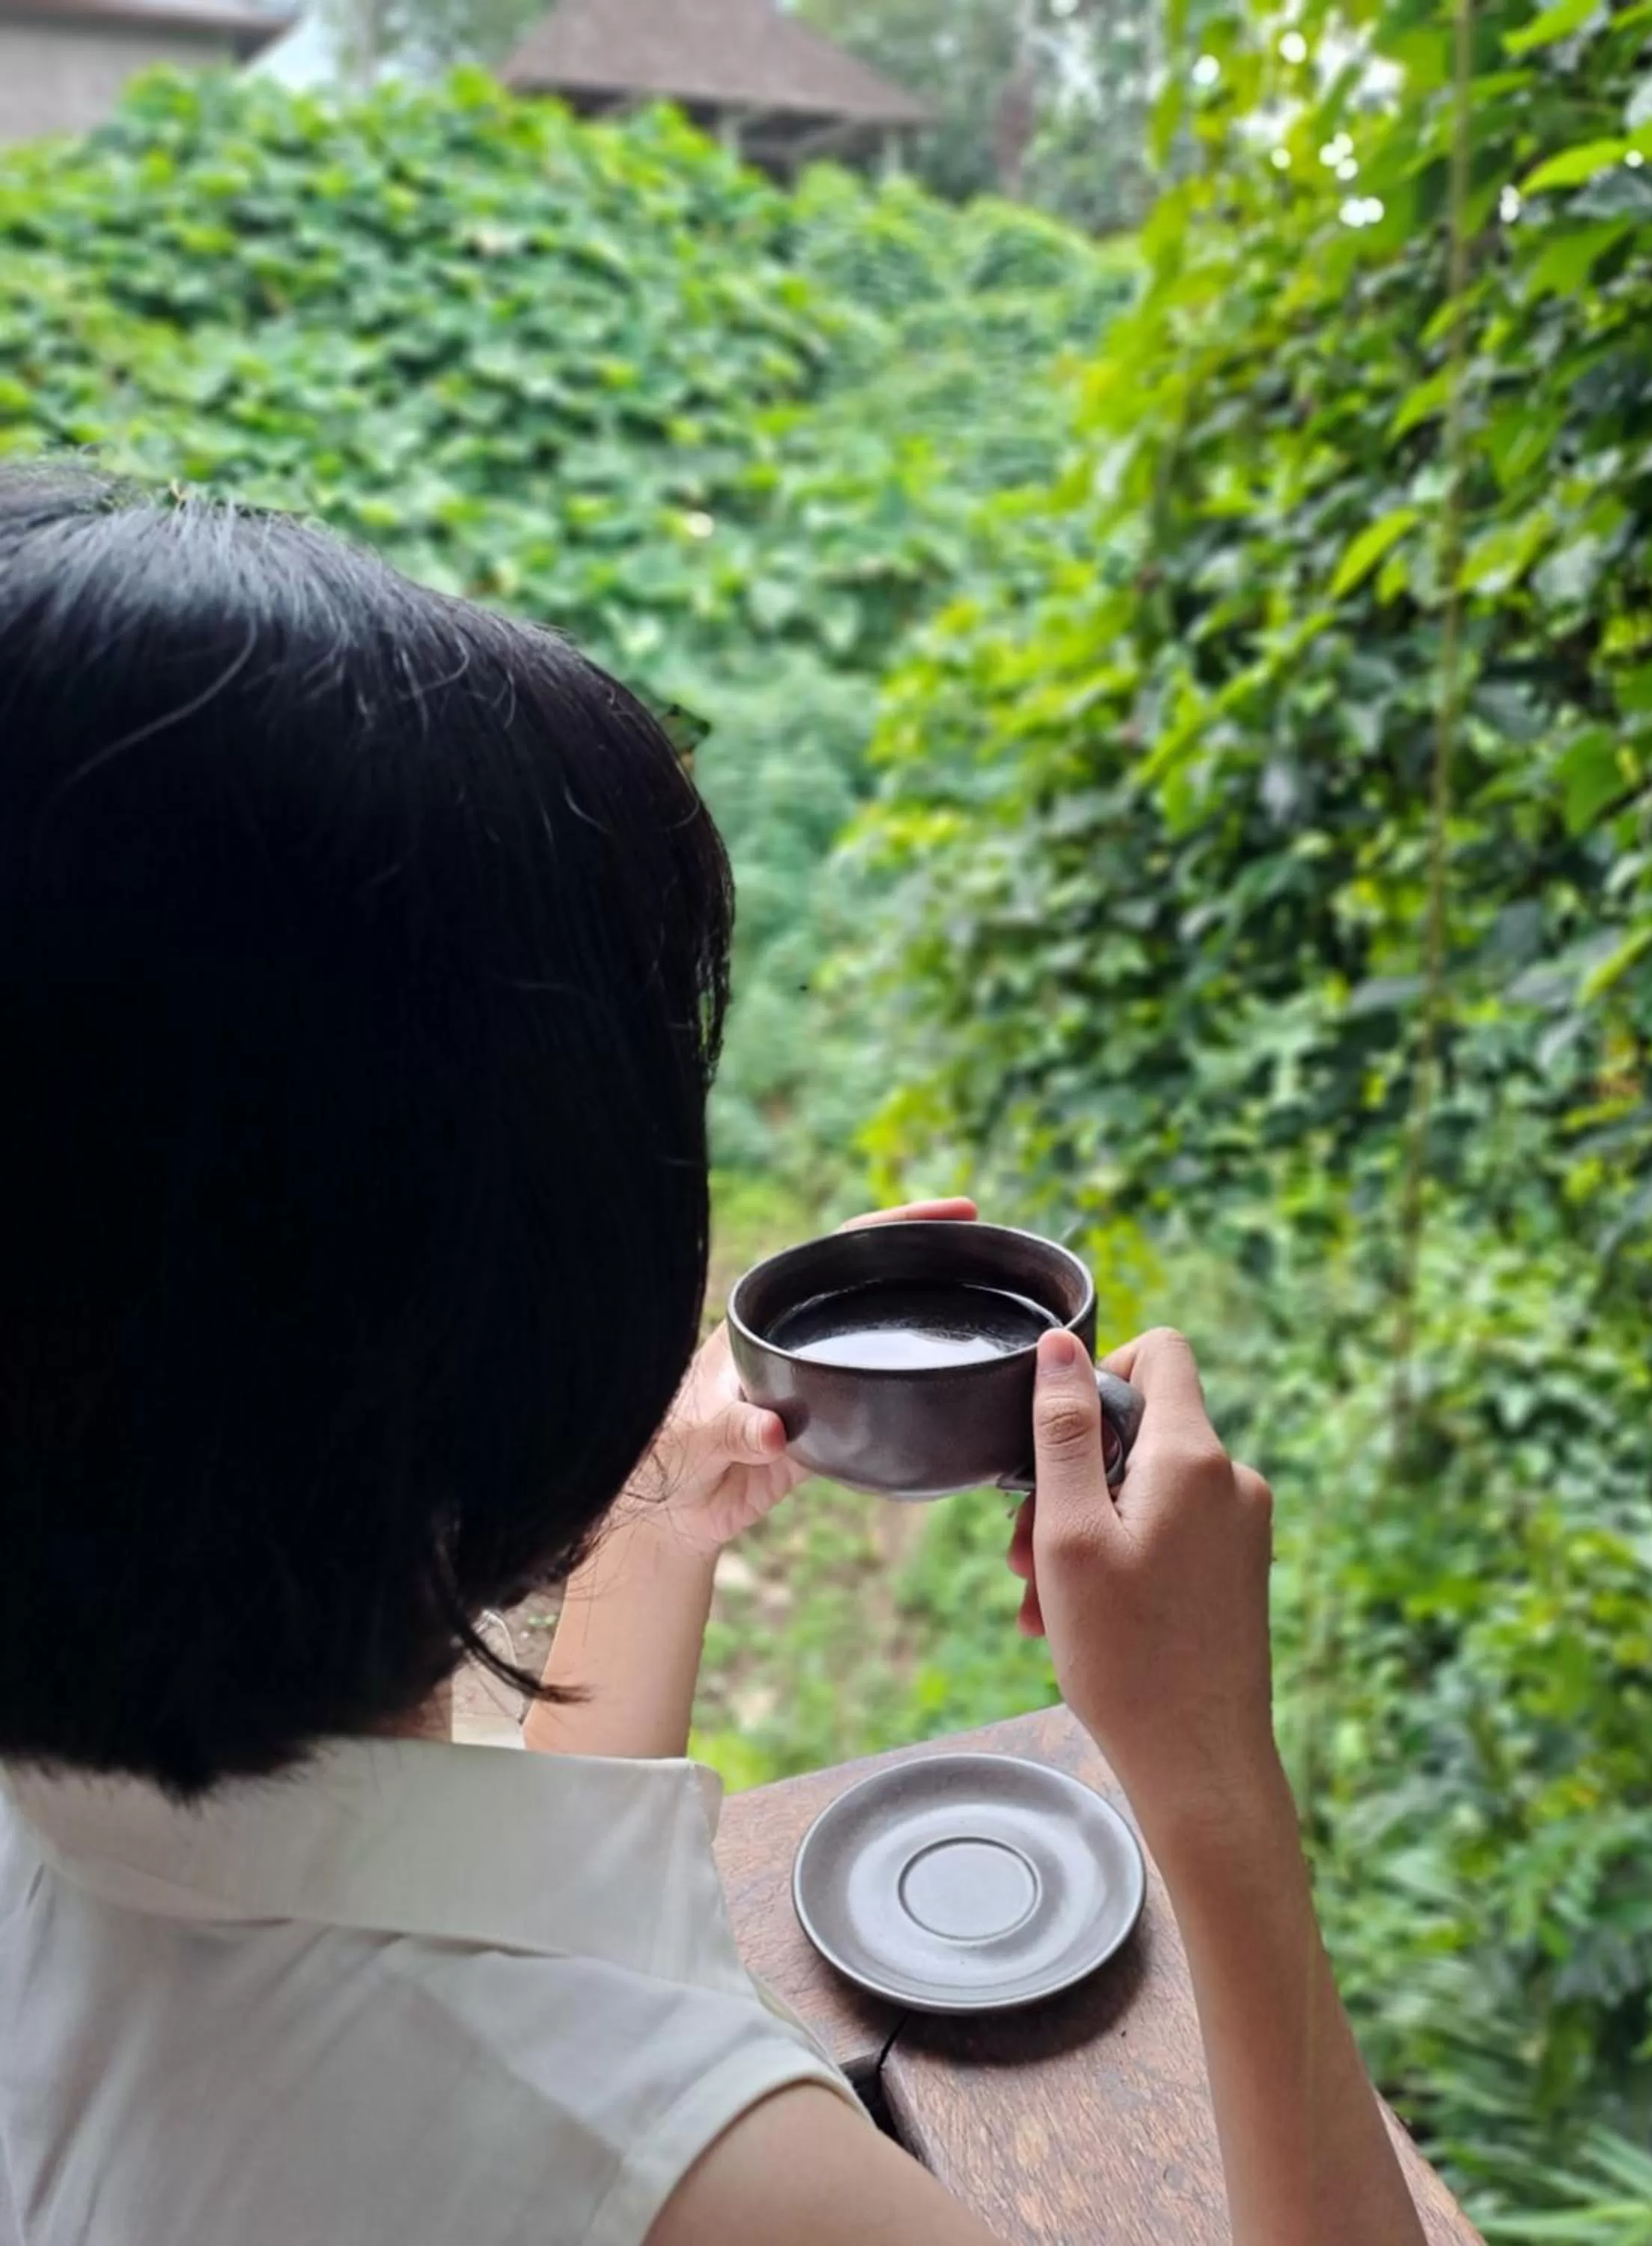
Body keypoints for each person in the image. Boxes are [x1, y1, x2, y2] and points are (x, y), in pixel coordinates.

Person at [0, 462, 1427, 2246]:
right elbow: (531, 2069)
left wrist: (659, 1523)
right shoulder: (703, 2188)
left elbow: (422, 1929)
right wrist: (1214, 1771)